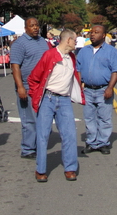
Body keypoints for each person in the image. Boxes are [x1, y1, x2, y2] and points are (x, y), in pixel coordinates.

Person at [27, 30, 84, 183]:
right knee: (43, 135)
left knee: (70, 134)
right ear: (68, 40)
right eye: (75, 40)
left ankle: (70, 168)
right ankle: (41, 170)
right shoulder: (50, 55)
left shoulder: (71, 57)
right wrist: (37, 95)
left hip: (64, 100)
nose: (76, 43)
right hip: (48, 98)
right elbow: (34, 78)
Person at [76, 24, 117, 154]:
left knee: (104, 118)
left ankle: (103, 142)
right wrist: (79, 86)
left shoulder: (111, 51)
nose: (92, 34)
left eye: (96, 32)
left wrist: (110, 88)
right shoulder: (84, 51)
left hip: (103, 90)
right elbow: (78, 69)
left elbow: (116, 71)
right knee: (89, 117)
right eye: (91, 32)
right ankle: (91, 142)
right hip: (88, 90)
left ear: (103, 36)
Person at [10, 17, 49, 159]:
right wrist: (20, 87)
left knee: (43, 118)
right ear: (25, 28)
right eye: (31, 25)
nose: (35, 27)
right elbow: (15, 66)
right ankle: (28, 149)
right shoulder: (19, 44)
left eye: (36, 25)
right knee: (29, 120)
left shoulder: (42, 41)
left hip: (42, 87)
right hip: (27, 87)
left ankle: (38, 144)